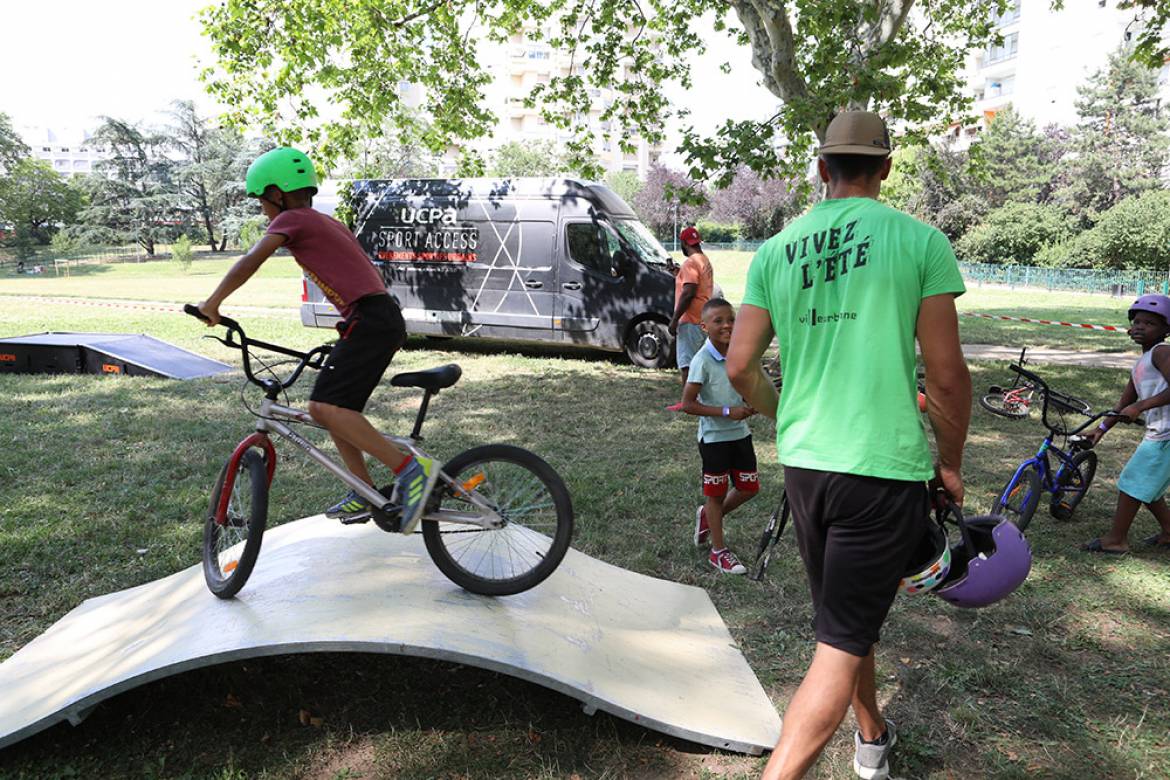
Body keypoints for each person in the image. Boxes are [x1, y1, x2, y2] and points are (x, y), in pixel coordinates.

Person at [725, 111, 971, 780]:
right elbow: (947, 378)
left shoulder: (774, 251)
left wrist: (787, 415)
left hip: (807, 467)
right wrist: (949, 463)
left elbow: (740, 366)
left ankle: (872, 739)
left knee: (843, 621)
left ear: (823, 169)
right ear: (886, 168)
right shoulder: (920, 241)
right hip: (882, 470)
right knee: (837, 645)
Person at [197, 146, 439, 533]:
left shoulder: (293, 219)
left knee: (324, 407)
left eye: (262, 200)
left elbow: (251, 260)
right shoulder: (325, 221)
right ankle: (364, 489)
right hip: (374, 319)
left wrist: (213, 303)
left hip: (371, 320)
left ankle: (412, 469)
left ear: (278, 194)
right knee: (336, 412)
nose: (262, 210)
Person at [1081, 293, 1170, 554]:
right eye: (1138, 321)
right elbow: (1122, 405)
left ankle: (1116, 539)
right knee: (1149, 487)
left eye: (1150, 323)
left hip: (1166, 435)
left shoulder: (1162, 352)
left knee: (1132, 480)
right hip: (1160, 432)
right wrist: (1101, 430)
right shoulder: (1141, 362)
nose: (1141, 326)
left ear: (1166, 329)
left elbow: (1135, 404)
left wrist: (1140, 406)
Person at [680, 298, 760, 574]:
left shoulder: (738, 353)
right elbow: (688, 404)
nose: (727, 325)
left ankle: (708, 517)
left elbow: (744, 386)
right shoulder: (702, 360)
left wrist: (751, 402)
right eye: (718, 321)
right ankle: (718, 551)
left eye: (731, 319)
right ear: (704, 327)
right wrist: (728, 411)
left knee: (749, 488)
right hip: (714, 438)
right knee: (716, 495)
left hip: (741, 434)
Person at [669, 225, 714, 383]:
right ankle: (699, 401)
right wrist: (679, 273)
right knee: (700, 363)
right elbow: (695, 281)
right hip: (702, 319)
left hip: (690, 321)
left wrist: (674, 320)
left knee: (688, 366)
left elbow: (689, 292)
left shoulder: (690, 263)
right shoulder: (703, 260)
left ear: (684, 243)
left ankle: (690, 403)